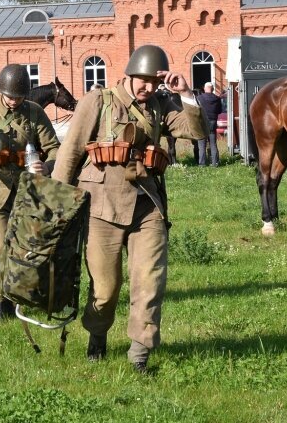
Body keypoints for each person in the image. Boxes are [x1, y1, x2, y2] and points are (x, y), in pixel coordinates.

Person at [51, 45, 206, 373]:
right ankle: (97, 334)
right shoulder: (100, 101)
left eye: (153, 81)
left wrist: (186, 92)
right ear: (129, 73)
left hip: (146, 206)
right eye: (142, 79)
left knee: (150, 280)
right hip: (100, 207)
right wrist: (57, 207)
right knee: (105, 289)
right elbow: (71, 152)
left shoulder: (162, 106)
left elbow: (196, 131)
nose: (147, 86)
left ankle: (140, 353)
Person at [0, 64, 60, 321]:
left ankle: (17, 296)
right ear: (1, 92)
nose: (14, 101)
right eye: (10, 96)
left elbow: (55, 148)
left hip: (27, 191)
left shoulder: (34, 112)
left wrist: (46, 165)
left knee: (23, 249)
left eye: (19, 96)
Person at [196, 82, 222, 167]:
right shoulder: (217, 99)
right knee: (213, 143)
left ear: (204, 88)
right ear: (213, 89)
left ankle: (202, 163)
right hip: (213, 122)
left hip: (202, 122)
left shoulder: (199, 98)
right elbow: (219, 111)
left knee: (201, 144)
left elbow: (196, 110)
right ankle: (215, 163)